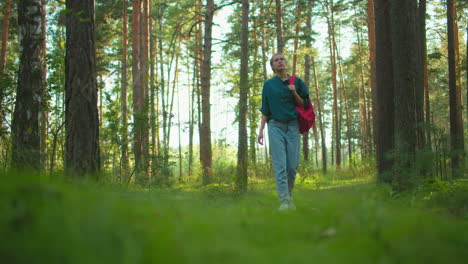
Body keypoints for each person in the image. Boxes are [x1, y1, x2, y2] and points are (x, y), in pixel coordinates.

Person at [257, 53, 310, 211]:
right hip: (275, 126)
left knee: (292, 166)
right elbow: (265, 110)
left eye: (282, 59)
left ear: (286, 63)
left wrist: (294, 92)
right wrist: (260, 131)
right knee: (280, 165)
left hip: (293, 126)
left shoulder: (297, 82)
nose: (280, 62)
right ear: (272, 66)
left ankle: (289, 196)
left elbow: (304, 105)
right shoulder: (269, 85)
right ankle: (284, 202)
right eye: (276, 60)